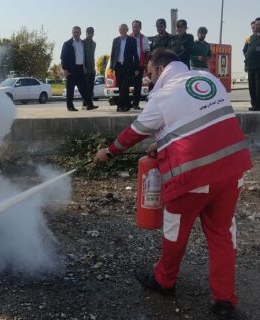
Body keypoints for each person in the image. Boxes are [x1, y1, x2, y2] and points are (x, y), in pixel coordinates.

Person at [94, 48, 252, 319]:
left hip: (192, 177)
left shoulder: (163, 96)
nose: (149, 80)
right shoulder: (208, 79)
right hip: (232, 170)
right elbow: (199, 122)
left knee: (175, 232)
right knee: (222, 235)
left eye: (149, 74)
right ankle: (225, 302)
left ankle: (164, 282)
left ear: (158, 69)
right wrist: (164, 141)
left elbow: (135, 132)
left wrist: (108, 153)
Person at [61, 26, 96, 112]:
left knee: (83, 88)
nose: (76, 34)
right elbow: (63, 57)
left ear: (80, 33)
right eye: (75, 32)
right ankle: (70, 106)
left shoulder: (82, 43)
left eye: (78, 32)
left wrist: (84, 67)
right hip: (71, 69)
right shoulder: (67, 44)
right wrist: (65, 70)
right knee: (70, 89)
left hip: (80, 68)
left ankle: (89, 105)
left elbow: (84, 56)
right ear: (72, 33)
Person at [110, 24, 139, 112]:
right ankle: (127, 105)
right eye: (120, 29)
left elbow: (135, 55)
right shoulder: (115, 40)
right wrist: (112, 66)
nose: (122, 31)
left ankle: (119, 105)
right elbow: (113, 54)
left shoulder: (132, 40)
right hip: (118, 66)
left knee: (124, 86)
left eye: (124, 29)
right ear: (119, 30)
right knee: (121, 87)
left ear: (127, 30)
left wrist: (136, 68)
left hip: (128, 66)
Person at [131, 20, 150, 110]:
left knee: (137, 85)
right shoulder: (128, 37)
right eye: (134, 26)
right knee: (125, 85)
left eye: (137, 26)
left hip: (139, 65)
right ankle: (126, 104)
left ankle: (135, 104)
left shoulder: (144, 38)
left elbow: (147, 52)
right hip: (129, 65)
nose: (135, 28)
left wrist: (146, 65)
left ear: (140, 28)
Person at [246, 17, 260, 111]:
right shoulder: (251, 38)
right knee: (251, 86)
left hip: (258, 66)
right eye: (256, 25)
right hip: (250, 66)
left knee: (258, 86)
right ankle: (254, 104)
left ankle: (258, 105)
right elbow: (246, 50)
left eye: (258, 25)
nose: (257, 26)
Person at [83, 27, 98, 110]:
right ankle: (85, 104)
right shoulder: (83, 42)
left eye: (92, 32)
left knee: (91, 87)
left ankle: (90, 103)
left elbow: (92, 57)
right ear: (86, 33)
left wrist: (94, 68)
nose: (90, 34)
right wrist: (83, 67)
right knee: (86, 87)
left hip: (92, 68)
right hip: (85, 68)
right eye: (89, 32)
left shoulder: (94, 43)